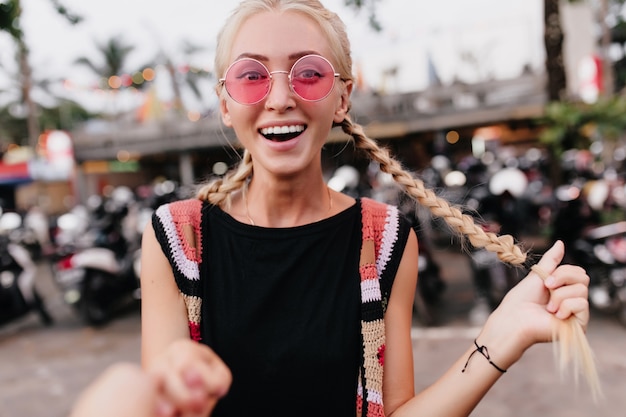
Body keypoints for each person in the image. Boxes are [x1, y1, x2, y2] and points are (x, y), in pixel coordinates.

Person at [140, 1, 591, 416]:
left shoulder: (386, 240)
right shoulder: (177, 240)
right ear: (224, 102)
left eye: (308, 73)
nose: (279, 99)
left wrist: (502, 337)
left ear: (342, 97)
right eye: (252, 76)